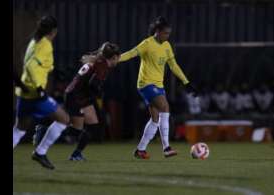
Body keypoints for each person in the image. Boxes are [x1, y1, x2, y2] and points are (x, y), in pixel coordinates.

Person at [118, 16, 198, 159]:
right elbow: (131, 53)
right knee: (165, 108)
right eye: (165, 33)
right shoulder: (147, 44)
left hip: (159, 85)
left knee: (155, 120)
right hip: (146, 84)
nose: (167, 36)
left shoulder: (167, 46)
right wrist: (116, 59)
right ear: (157, 31)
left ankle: (140, 150)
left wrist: (186, 82)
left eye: (169, 34)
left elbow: (173, 65)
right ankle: (166, 147)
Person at [32, 42, 121, 168]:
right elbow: (93, 84)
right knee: (76, 129)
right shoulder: (102, 66)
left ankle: (76, 154)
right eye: (118, 57)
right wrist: (99, 94)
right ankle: (43, 131)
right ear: (114, 57)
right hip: (77, 97)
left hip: (80, 95)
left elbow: (87, 77)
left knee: (92, 125)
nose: (119, 60)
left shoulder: (98, 60)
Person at [12, 16, 70, 169]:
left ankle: (40, 152)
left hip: (24, 92)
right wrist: (39, 89)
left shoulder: (34, 41)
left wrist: (54, 70)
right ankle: (40, 152)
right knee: (63, 119)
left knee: (19, 130)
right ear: (54, 31)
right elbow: (31, 66)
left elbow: (36, 63)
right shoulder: (45, 44)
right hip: (35, 93)